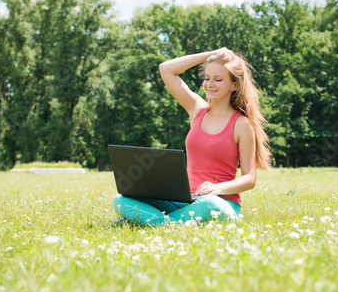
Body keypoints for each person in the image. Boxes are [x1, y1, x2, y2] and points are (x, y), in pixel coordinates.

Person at [112, 48, 272, 226]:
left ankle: (151, 222)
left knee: (208, 203)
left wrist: (218, 188)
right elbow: (166, 69)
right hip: (185, 200)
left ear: (234, 85)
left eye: (218, 79)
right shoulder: (196, 110)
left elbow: (250, 179)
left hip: (221, 203)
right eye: (207, 78)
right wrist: (211, 54)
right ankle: (169, 223)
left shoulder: (242, 125)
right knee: (121, 199)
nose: (210, 84)